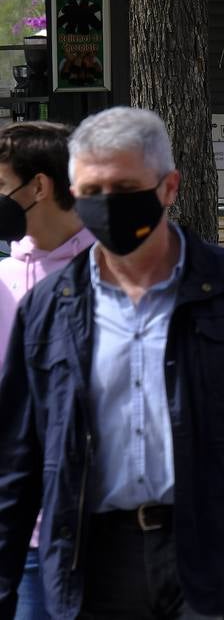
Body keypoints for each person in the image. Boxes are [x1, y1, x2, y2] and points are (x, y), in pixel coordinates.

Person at [0, 107, 224, 619]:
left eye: (126, 186)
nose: (108, 205)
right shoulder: (50, 307)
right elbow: (16, 468)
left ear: (169, 188)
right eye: (91, 192)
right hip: (93, 570)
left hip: (211, 560)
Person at [0, 123, 95, 620]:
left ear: (38, 187)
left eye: (0, 187)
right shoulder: (3, 280)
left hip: (90, 537)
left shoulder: (108, 274)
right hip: (18, 536)